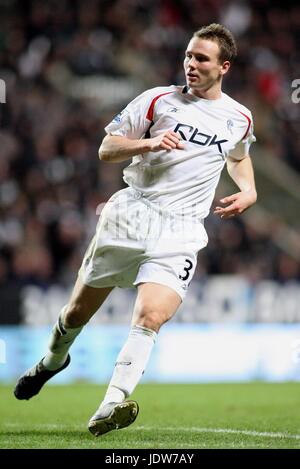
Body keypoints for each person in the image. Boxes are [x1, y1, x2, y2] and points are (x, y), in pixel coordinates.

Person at [14, 23, 257, 437]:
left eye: (201, 58)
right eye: (188, 55)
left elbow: (237, 156)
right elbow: (106, 148)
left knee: (150, 317)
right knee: (75, 314)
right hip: (131, 216)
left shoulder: (239, 117)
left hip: (181, 230)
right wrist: (148, 143)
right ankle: (53, 361)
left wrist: (249, 190)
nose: (191, 64)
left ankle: (110, 404)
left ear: (224, 67)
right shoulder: (157, 100)